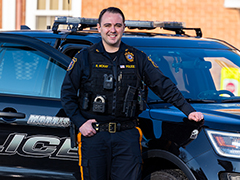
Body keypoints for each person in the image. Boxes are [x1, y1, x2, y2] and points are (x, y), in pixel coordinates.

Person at [61, 7, 204, 180]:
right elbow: (67, 94)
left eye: (117, 25)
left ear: (123, 27)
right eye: (107, 25)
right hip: (94, 136)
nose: (112, 30)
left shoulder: (137, 58)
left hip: (127, 137)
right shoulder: (84, 57)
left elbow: (163, 85)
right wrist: (80, 122)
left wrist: (188, 110)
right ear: (99, 28)